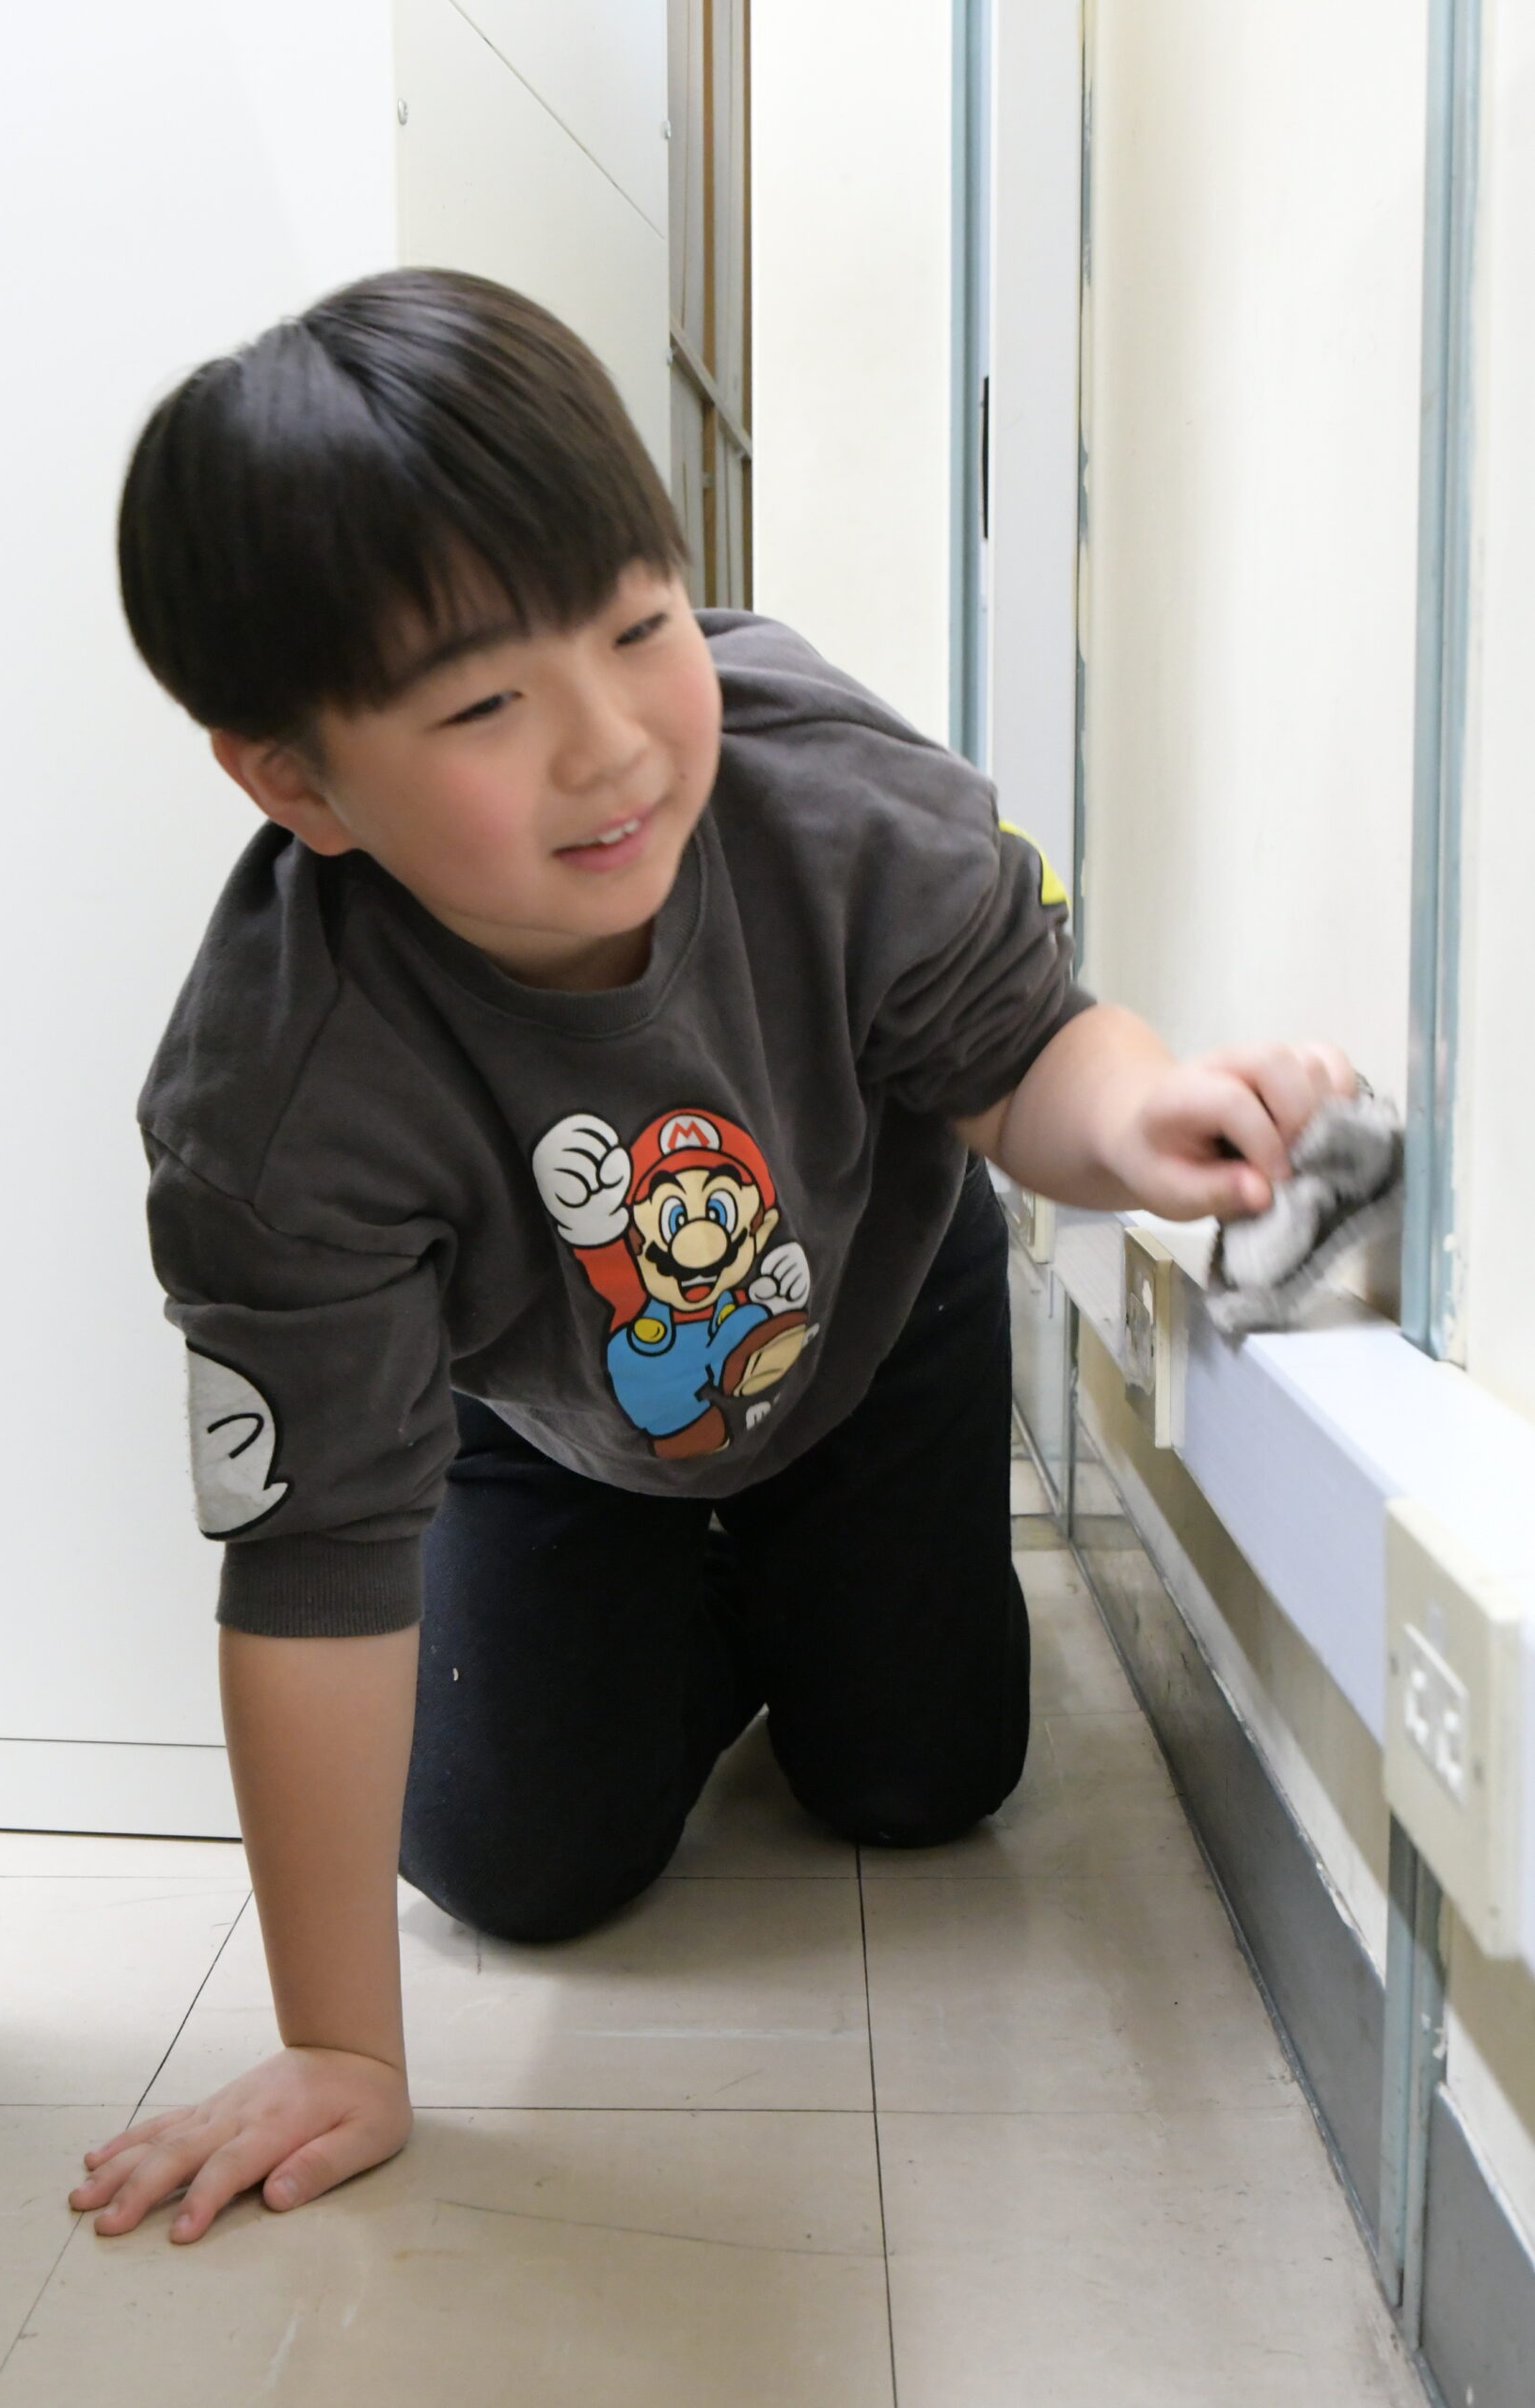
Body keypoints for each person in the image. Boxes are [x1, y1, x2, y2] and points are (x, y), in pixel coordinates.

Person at [70, 268, 1353, 2249]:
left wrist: (1140, 1118)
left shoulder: (814, 776)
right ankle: (675, 1582)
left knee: (924, 1780)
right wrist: (340, 2045)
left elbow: (1023, 1045)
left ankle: (791, 1578)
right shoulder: (276, 1101)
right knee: (513, 1863)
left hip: (871, 1315)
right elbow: (311, 1572)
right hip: (547, 1417)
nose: (609, 746)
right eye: (483, 705)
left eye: (639, 626)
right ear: (297, 782)